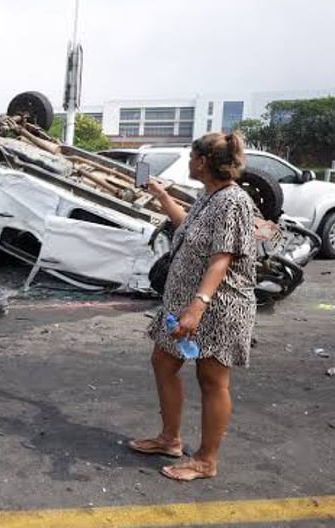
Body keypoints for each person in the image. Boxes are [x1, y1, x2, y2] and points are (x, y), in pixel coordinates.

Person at [128, 131, 258, 481]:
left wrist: (197, 307)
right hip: (185, 303)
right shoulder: (209, 196)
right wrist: (160, 195)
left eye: (191, 156)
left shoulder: (233, 201)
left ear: (202, 162)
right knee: (163, 361)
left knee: (212, 379)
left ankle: (205, 460)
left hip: (218, 306)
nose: (188, 161)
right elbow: (186, 226)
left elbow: (222, 259)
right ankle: (170, 439)